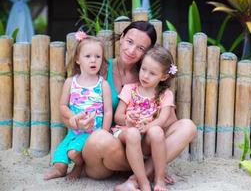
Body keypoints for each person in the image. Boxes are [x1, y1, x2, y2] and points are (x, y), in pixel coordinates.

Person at [62, 21, 196, 190]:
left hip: (139, 143)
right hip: (107, 150)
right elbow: (72, 104)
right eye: (130, 42)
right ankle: (150, 169)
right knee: (100, 138)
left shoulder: (148, 78)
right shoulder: (97, 66)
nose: (132, 50)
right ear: (122, 38)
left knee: (188, 126)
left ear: (148, 52)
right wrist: (75, 121)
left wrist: (150, 125)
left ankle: (138, 177)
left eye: (140, 48)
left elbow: (169, 122)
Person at [44, 32, 112, 180]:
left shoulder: (103, 84)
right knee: (60, 153)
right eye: (88, 56)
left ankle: (79, 166)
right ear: (77, 59)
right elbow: (62, 106)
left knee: (73, 152)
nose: (93, 60)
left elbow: (107, 111)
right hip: (75, 130)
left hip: (93, 131)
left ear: (102, 60)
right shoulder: (70, 82)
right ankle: (60, 170)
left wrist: (104, 134)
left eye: (98, 56)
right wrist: (72, 116)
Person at [113, 45, 177, 191]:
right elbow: (118, 117)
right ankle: (143, 183)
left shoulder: (165, 95)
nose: (145, 76)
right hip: (126, 131)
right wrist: (127, 120)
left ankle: (159, 180)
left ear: (164, 76)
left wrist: (148, 126)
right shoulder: (129, 89)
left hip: (147, 135)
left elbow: (163, 119)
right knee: (133, 133)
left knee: (157, 131)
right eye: (143, 69)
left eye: (152, 73)